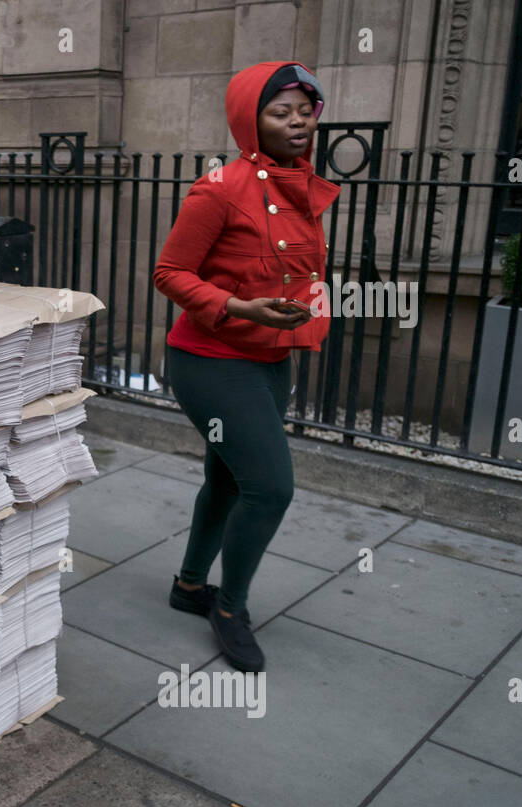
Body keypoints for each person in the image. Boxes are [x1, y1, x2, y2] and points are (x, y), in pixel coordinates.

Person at [153, 61, 341, 672]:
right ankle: (229, 609)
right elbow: (169, 274)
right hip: (210, 359)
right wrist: (235, 304)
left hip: (269, 359)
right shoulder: (219, 188)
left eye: (304, 109)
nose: (298, 121)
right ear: (250, 120)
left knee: (230, 480)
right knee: (270, 489)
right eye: (280, 111)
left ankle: (188, 587)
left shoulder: (299, 184)